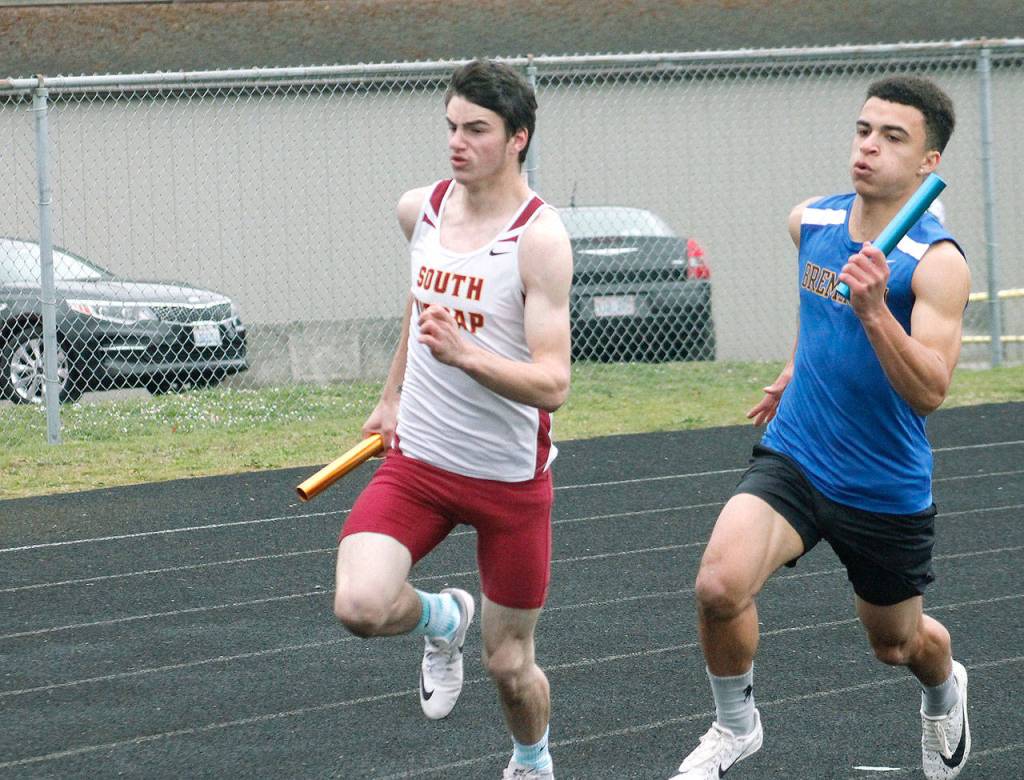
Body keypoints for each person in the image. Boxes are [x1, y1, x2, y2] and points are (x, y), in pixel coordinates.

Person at [669, 76, 971, 779]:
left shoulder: (937, 263)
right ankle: (735, 725)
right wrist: (795, 368)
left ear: (929, 162)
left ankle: (945, 683)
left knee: (896, 645)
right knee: (718, 585)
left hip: (883, 483)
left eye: (893, 137)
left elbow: (930, 390)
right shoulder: (812, 222)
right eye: (864, 130)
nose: (869, 147)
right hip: (799, 452)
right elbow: (818, 314)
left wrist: (873, 309)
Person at [332, 59, 573, 780]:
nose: (457, 143)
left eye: (476, 130)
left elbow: (553, 383)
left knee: (510, 666)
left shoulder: (539, 239)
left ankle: (531, 761)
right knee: (360, 605)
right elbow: (421, 304)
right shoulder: (423, 209)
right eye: (451, 127)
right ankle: (443, 619)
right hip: (421, 463)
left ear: (518, 138)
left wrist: (467, 355)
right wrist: (392, 395)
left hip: (506, 483)